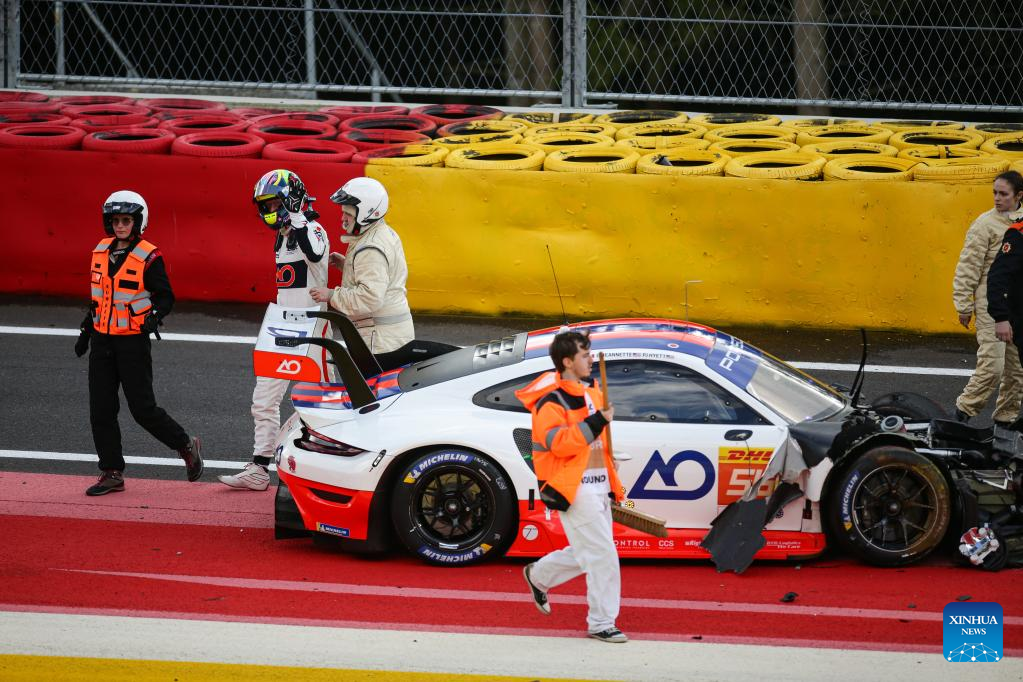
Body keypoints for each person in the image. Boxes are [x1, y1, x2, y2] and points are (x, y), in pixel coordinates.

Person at [76, 190, 203, 496]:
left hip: (132, 343)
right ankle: (111, 472)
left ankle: (185, 444)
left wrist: (154, 317)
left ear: (138, 222)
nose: (120, 225)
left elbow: (166, 296)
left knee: (142, 409)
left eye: (126, 220)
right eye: (115, 220)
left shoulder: (149, 256)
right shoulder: (100, 252)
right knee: (101, 410)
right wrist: (85, 331)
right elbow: (99, 299)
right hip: (102, 343)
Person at [218, 169, 329, 491]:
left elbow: (315, 253)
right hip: (282, 327)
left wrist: (297, 217)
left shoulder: (314, 228)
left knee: (318, 403)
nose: (269, 210)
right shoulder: (282, 234)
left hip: (313, 329)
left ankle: (320, 470)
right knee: (263, 399)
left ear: (291, 198)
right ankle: (258, 468)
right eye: (264, 205)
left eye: (273, 203)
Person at [514, 330, 628, 643]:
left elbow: (595, 443)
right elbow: (561, 445)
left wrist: (609, 465)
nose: (590, 360)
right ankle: (601, 622)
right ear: (567, 362)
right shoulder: (549, 402)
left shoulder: (592, 393)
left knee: (589, 551)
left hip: (597, 484)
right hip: (572, 489)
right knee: (603, 555)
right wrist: (598, 421)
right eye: (584, 355)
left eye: (590, 354)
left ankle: (538, 575)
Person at [309, 177, 414, 354]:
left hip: (381, 341)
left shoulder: (370, 248)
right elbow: (382, 275)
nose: (343, 218)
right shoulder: (381, 232)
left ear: (367, 213)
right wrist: (347, 265)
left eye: (348, 214)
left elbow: (370, 297)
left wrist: (331, 295)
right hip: (390, 336)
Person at [953, 170, 1023, 426]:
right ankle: (962, 414)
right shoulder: (984, 224)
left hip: (1016, 304)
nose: (997, 198)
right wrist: (963, 304)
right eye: (995, 193)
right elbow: (968, 266)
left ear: (1018, 196)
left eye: (1003, 194)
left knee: (1017, 370)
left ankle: (1005, 420)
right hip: (989, 302)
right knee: (993, 367)